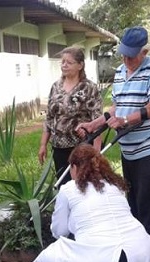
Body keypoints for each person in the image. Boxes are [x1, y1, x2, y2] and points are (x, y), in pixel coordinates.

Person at [31, 144, 150, 262]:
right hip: (141, 252)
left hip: (103, 258)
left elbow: (59, 231)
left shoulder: (68, 189)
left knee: (48, 257)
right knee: (118, 251)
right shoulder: (115, 185)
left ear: (74, 167)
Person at [75, 26, 150, 255]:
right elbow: (116, 107)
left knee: (148, 204)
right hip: (128, 149)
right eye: (124, 54)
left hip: (149, 147)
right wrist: (95, 124)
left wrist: (127, 120)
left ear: (143, 51)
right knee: (133, 199)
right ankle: (137, 246)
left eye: (131, 55)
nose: (126, 59)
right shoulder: (119, 71)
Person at [38, 47, 103, 186]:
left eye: (69, 62)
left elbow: (98, 120)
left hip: (81, 147)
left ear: (80, 65)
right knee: (64, 186)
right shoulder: (56, 86)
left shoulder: (89, 88)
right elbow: (49, 117)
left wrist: (97, 152)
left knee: (83, 185)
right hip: (58, 147)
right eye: (62, 62)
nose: (64, 65)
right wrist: (43, 144)